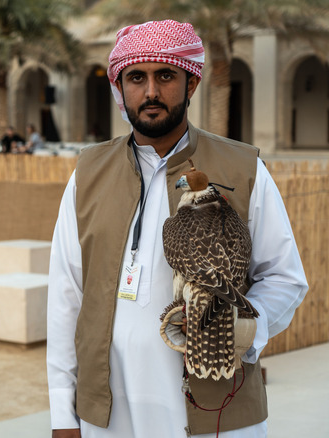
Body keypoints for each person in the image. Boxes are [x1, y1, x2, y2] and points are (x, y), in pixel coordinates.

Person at [47, 20, 308, 438]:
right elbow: (65, 295)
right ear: (120, 87)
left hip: (215, 409)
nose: (150, 92)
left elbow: (284, 277)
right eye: (137, 78)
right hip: (109, 412)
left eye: (165, 75)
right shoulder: (88, 174)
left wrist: (242, 330)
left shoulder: (242, 169)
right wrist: (63, 412)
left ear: (190, 84)